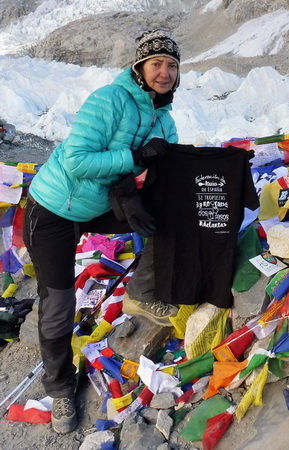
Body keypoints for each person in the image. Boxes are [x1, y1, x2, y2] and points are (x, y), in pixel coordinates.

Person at [23, 30, 181, 434]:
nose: (164, 72)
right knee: (58, 305)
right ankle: (59, 390)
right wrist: (135, 157)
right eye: (157, 64)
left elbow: (171, 167)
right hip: (55, 208)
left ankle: (141, 293)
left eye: (172, 65)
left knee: (171, 217)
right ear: (140, 68)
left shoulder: (164, 119)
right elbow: (76, 161)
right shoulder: (109, 100)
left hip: (100, 206)